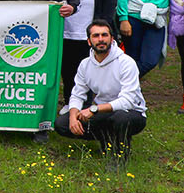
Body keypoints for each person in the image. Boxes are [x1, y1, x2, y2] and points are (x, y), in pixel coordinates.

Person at [54, 20, 148, 168]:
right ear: (89, 41)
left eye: (105, 35)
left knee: (120, 118)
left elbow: (128, 101)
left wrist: (94, 109)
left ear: (112, 39)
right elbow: (78, 94)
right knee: (62, 124)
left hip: (132, 113)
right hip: (102, 113)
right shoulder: (85, 64)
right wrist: (73, 117)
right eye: (96, 36)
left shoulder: (126, 63)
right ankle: (107, 139)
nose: (101, 39)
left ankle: (119, 157)